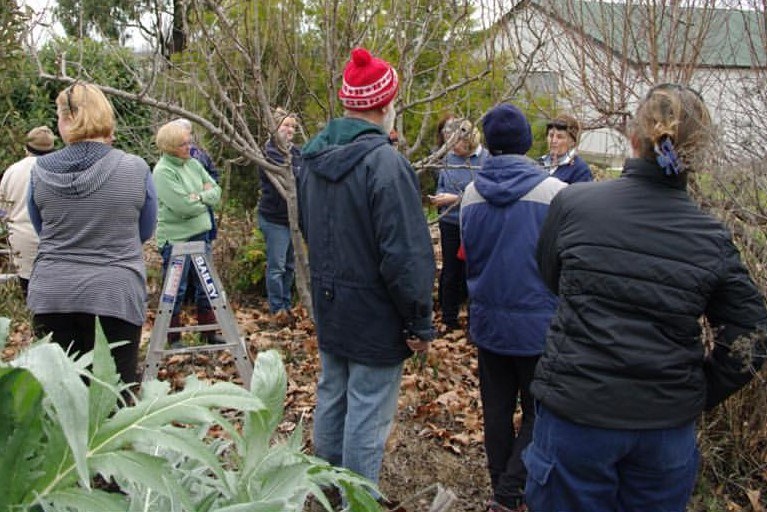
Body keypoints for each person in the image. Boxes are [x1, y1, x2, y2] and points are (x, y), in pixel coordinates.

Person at [525, 84, 767, 511]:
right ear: (697, 153)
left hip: (579, 416)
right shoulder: (710, 237)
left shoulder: (574, 205)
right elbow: (754, 332)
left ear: (633, 140)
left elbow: (551, 279)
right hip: (661, 429)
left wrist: (698, 391)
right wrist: (697, 391)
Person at [299, 47, 435, 506]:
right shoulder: (386, 165)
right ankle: (356, 501)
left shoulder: (312, 159)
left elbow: (306, 226)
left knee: (334, 396)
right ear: (385, 103)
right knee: (367, 412)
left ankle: (326, 493)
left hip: (332, 303)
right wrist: (419, 322)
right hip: (375, 312)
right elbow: (407, 255)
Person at [460, 104, 566, 512]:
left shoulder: (470, 194)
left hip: (489, 322)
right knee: (541, 413)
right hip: (540, 325)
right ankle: (509, 493)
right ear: (526, 142)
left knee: (497, 411)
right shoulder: (555, 193)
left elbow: (470, 255)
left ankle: (501, 486)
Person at [27, 83, 157, 385]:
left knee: (60, 398)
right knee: (112, 399)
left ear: (68, 119)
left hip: (53, 295)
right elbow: (144, 229)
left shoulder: (39, 171)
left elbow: (41, 229)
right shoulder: (135, 168)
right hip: (115, 293)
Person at [153, 120, 224, 346]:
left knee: (207, 285)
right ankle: (173, 336)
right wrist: (201, 199)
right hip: (176, 240)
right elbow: (182, 207)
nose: (189, 146)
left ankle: (210, 331)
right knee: (176, 288)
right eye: (184, 144)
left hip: (201, 235)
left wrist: (199, 197)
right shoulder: (163, 172)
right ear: (171, 146)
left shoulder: (193, 164)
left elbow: (216, 190)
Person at [430, 118, 489, 331]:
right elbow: (441, 186)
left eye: (459, 143)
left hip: (474, 223)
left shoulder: (485, 160)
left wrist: (453, 198)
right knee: (450, 271)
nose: (455, 147)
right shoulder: (448, 159)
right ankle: (448, 319)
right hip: (450, 222)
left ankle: (475, 321)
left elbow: (484, 193)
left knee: (472, 270)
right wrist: (439, 198)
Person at [0, 126, 57, 296]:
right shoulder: (59, 170)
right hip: (54, 240)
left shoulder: (12, 171)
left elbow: (2, 210)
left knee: (29, 293)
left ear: (26, 148)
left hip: (21, 240)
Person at [257, 108, 302, 319]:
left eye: (293, 126)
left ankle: (286, 304)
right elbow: (292, 177)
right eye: (286, 125)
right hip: (274, 219)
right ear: (275, 128)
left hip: (292, 219)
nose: (290, 130)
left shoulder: (297, 152)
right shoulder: (270, 152)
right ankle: (277, 309)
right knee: (277, 266)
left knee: (291, 266)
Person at [537, 114, 593, 183]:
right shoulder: (540, 163)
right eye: (551, 135)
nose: (554, 141)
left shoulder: (580, 170)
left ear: (572, 142)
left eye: (560, 137)